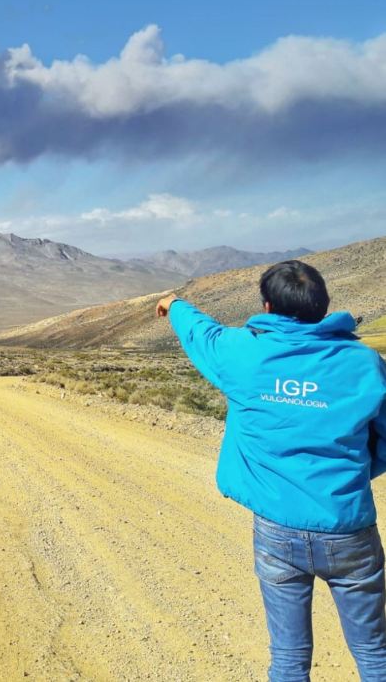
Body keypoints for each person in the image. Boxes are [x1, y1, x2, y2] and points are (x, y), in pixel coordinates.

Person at [156, 259, 386, 682]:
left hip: (277, 531)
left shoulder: (244, 354)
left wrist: (174, 304)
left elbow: (202, 333)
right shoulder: (364, 363)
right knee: (374, 653)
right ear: (324, 305)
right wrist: (353, 473)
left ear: (267, 306)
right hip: (349, 529)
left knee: (288, 658)